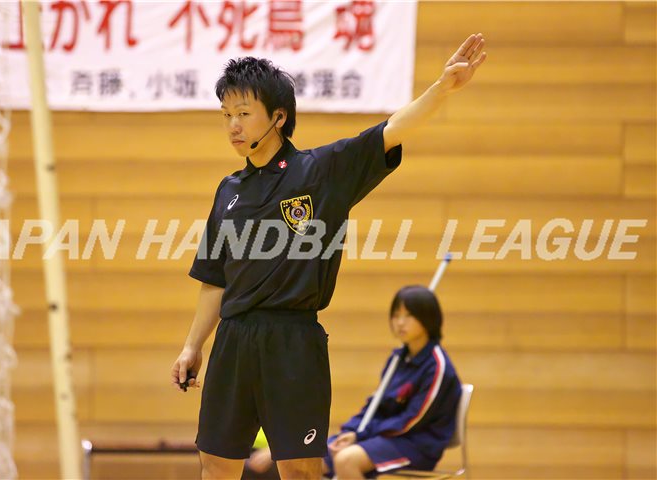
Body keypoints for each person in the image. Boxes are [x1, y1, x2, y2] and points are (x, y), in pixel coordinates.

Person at [171, 33, 487, 480]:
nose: (233, 126)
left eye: (243, 113)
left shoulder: (320, 172)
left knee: (300, 470)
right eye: (226, 115)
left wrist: (442, 88)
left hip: (293, 342)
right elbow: (215, 279)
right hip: (233, 341)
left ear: (278, 117)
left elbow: (391, 130)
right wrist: (193, 346)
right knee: (216, 465)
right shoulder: (229, 191)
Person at [243, 286, 462, 479]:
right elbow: (376, 405)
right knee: (314, 458)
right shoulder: (398, 359)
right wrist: (351, 431)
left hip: (417, 444)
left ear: (428, 318)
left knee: (347, 460)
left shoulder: (437, 366)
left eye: (409, 315)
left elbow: (412, 420)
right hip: (383, 438)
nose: (400, 322)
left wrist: (361, 436)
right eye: (396, 315)